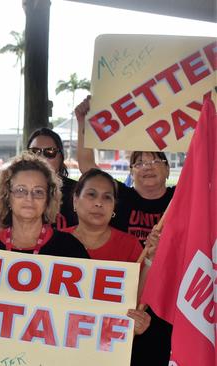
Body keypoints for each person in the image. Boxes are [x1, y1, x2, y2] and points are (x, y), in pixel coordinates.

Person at [76, 95, 173, 366]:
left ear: (167, 168)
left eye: (155, 161)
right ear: (131, 171)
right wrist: (83, 123)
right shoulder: (123, 197)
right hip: (124, 302)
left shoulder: (180, 199)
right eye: (139, 163)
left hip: (167, 300)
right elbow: (88, 169)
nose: (148, 167)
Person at [62, 168, 153, 338]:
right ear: (75, 200)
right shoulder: (56, 241)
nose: (99, 203)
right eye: (91, 194)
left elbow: (139, 301)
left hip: (108, 347)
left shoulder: (130, 246)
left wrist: (139, 319)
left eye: (107, 197)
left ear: (113, 207)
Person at [0, 152, 89, 258]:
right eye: (20, 190)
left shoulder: (70, 248)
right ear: (7, 196)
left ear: (48, 199)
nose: (29, 198)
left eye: (38, 192)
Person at [0, 128, 77, 232]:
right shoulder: (8, 186)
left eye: (50, 152)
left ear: (61, 157)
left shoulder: (76, 191)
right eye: (34, 152)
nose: (42, 157)